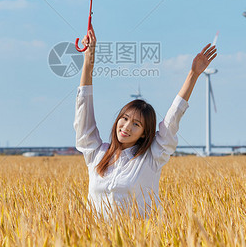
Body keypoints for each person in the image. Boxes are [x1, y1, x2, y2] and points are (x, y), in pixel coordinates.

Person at [74, 26, 217, 217]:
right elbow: (83, 110)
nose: (126, 127)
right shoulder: (96, 154)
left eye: (136, 124)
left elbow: (172, 120)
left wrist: (193, 75)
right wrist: (88, 60)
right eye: (124, 119)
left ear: (144, 132)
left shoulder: (151, 158)